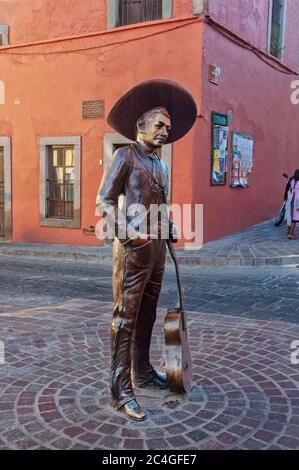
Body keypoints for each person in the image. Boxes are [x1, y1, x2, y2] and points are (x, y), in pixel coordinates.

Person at [96, 79, 197, 421]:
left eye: (168, 127)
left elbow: (161, 204)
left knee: (147, 316)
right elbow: (104, 201)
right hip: (132, 251)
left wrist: (168, 227)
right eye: (159, 125)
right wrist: (128, 235)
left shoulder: (162, 165)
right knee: (124, 319)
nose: (165, 131)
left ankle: (140, 372)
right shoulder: (125, 155)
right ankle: (120, 389)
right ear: (141, 126)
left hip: (156, 252)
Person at [286, 169, 299, 240]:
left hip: (292, 201)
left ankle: (292, 234)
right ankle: (290, 234)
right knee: (294, 219)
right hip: (297, 201)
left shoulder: (292, 181)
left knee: (294, 219)